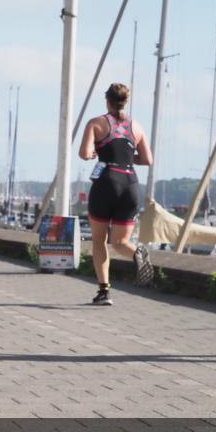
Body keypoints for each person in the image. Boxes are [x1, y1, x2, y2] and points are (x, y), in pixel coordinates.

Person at [79, 84, 155, 305]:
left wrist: (95, 152)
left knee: (99, 240)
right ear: (125, 101)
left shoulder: (96, 123)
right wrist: (129, 158)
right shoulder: (137, 127)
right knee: (120, 242)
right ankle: (136, 252)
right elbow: (148, 160)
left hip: (106, 182)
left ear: (107, 101)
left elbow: (84, 153)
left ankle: (104, 291)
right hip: (130, 184)